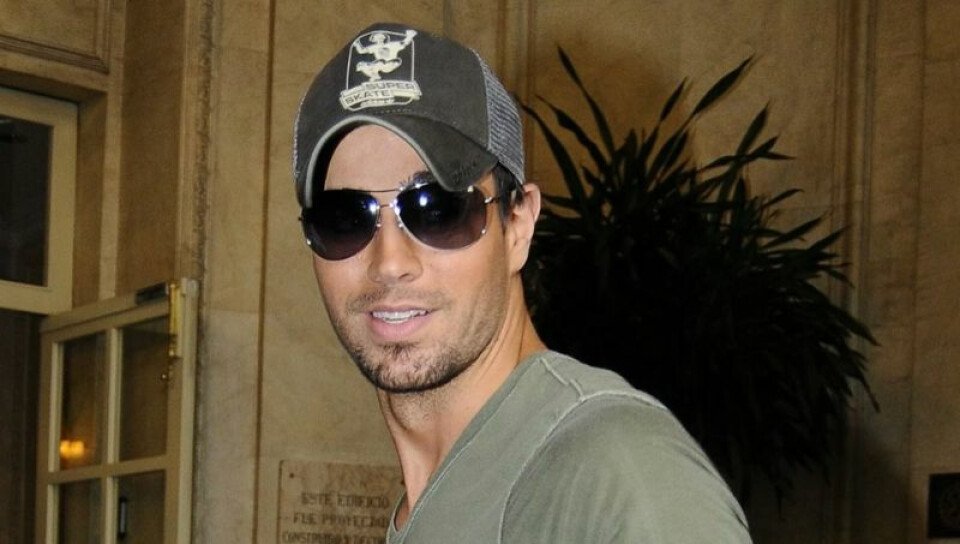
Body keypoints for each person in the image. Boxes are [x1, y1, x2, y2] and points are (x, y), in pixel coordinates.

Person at [293, 22, 752, 543]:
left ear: (519, 226)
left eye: (438, 209)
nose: (390, 262)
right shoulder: (435, 504)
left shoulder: (622, 477)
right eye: (344, 218)